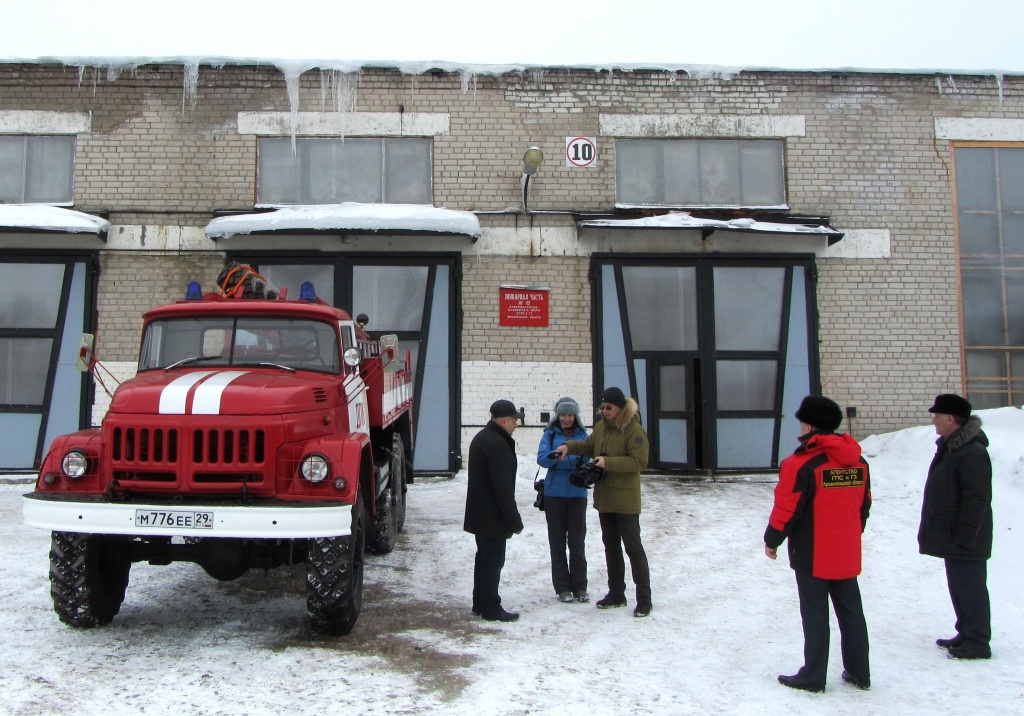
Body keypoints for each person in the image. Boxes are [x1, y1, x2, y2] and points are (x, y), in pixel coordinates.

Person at [764, 395, 872, 693]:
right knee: (851, 611)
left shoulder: (800, 463)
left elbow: (787, 507)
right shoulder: (858, 461)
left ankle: (813, 675)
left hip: (812, 553)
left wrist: (772, 539)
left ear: (809, 424)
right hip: (846, 550)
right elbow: (864, 505)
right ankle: (859, 671)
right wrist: (851, 533)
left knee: (815, 614)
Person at [553, 387, 652, 617]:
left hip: (626, 501)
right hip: (605, 499)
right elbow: (588, 446)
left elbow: (639, 462)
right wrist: (569, 447)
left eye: (609, 408)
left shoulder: (634, 430)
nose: (605, 411)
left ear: (621, 409)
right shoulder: (601, 428)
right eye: (603, 408)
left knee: (633, 548)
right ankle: (616, 593)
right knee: (611, 548)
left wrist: (608, 463)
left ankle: (644, 599)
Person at [918, 393, 993, 660]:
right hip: (955, 535)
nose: (934, 421)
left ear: (951, 419)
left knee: (971, 587)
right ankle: (966, 631)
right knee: (959, 585)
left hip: (966, 536)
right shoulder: (953, 446)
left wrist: (966, 535)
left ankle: (977, 641)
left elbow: (977, 498)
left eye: (937, 416)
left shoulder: (971, 452)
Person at [464, 399, 525, 622]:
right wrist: (514, 521)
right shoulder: (498, 444)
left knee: (484, 559)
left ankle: (480, 603)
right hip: (492, 516)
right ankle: (490, 607)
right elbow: (503, 488)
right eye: (514, 420)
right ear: (504, 420)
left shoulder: (482, 438)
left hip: (481, 514)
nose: (516, 425)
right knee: (492, 562)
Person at [537, 396, 590, 603]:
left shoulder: (584, 436)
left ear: (575, 416)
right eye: (563, 415)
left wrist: (559, 458)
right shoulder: (549, 435)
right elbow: (542, 459)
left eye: (570, 415)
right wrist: (568, 459)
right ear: (557, 415)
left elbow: (586, 461)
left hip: (577, 495)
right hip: (554, 496)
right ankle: (562, 588)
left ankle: (580, 587)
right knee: (557, 543)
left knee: (577, 543)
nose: (566, 419)